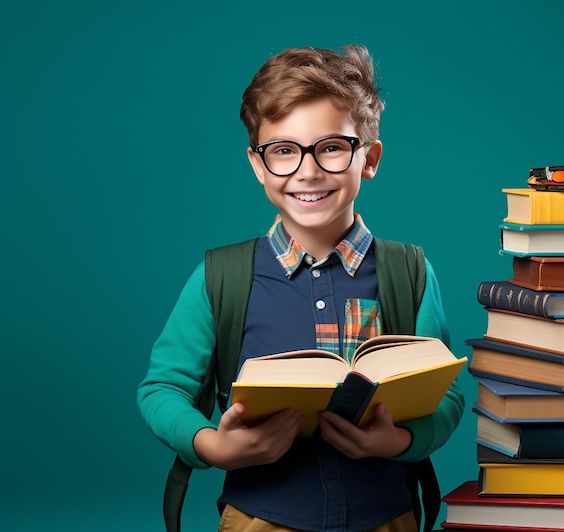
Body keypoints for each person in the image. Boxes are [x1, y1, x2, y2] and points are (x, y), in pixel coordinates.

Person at [137, 45, 465, 532]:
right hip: (260, 518)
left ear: (368, 158)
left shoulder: (409, 271)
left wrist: (399, 442)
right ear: (257, 164)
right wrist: (212, 445)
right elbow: (162, 388)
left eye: (331, 147)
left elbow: (447, 392)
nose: (307, 172)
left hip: (386, 517)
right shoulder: (221, 277)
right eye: (284, 151)